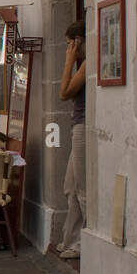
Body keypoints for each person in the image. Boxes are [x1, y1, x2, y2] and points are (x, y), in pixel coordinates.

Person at [58, 20, 87, 259]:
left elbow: (64, 92)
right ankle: (72, 238)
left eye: (70, 44)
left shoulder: (86, 64)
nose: (68, 50)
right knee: (71, 186)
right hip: (77, 126)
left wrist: (69, 61)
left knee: (81, 187)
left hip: (83, 128)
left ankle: (84, 241)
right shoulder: (83, 65)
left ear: (78, 42)